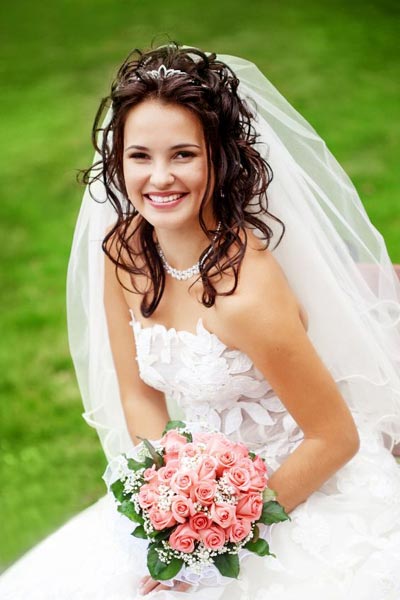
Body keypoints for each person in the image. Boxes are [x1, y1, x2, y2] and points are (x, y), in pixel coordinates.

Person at [1, 42, 400, 600]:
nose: (159, 178)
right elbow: (139, 398)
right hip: (198, 492)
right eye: (139, 156)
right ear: (117, 161)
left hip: (298, 488)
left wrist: (217, 539)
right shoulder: (123, 254)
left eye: (183, 155)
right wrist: (169, 501)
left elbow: (334, 438)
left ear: (220, 158)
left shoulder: (248, 294)